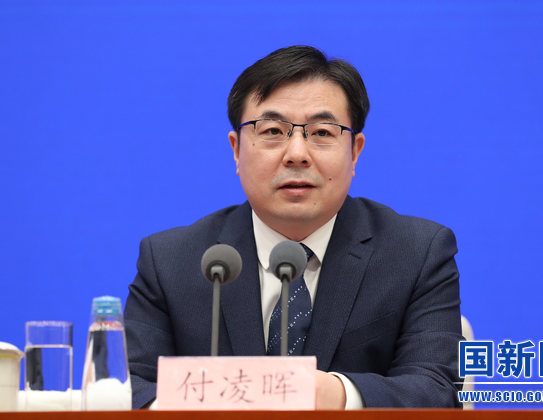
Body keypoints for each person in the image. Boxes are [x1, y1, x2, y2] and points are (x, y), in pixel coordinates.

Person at [124, 45, 463, 409]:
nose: (297, 154)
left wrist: (337, 395)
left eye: (322, 132)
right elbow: (126, 388)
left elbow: (439, 389)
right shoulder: (171, 261)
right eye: (273, 130)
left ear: (354, 152)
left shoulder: (417, 253)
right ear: (236, 150)